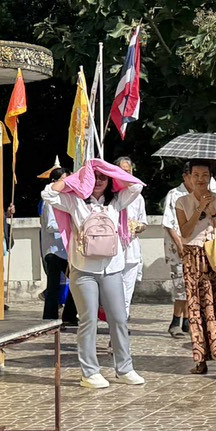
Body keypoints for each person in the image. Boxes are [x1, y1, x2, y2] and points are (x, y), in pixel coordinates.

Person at [41, 159, 146, 388]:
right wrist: (76, 178)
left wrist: (108, 168)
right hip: (84, 269)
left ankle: (124, 368)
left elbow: (136, 185)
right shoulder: (74, 202)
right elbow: (47, 194)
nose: (98, 181)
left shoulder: (116, 202)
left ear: (109, 180)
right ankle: (89, 372)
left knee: (118, 318)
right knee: (88, 320)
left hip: (112, 268)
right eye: (94, 176)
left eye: (103, 177)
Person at [176, 159, 216, 375]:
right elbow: (185, 232)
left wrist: (212, 212)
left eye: (205, 175)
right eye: (196, 175)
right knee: (197, 308)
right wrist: (199, 209)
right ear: (189, 177)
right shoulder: (181, 201)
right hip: (193, 255)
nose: (200, 179)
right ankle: (200, 359)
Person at [39, 165, 77, 325]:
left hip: (65, 250)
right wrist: (69, 224)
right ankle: (50, 318)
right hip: (53, 250)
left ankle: (68, 315)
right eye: (63, 180)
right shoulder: (49, 201)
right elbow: (50, 225)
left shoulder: (66, 199)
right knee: (53, 285)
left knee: (76, 282)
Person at [161, 166, 193, 338]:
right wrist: (180, 244)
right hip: (177, 247)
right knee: (180, 284)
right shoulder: (174, 194)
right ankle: (175, 320)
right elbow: (169, 222)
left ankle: (188, 320)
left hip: (195, 246)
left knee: (191, 285)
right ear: (185, 176)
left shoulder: (201, 194)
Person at [115, 156, 149, 316]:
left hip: (131, 248)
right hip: (113, 248)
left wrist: (137, 227)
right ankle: (114, 318)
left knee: (128, 289)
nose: (126, 174)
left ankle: (123, 319)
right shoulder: (112, 196)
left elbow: (143, 222)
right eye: (122, 171)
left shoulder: (138, 197)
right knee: (115, 289)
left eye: (129, 171)